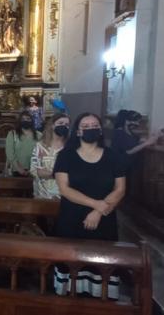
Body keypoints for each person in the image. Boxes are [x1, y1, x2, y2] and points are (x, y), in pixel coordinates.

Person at [53, 113, 126, 298]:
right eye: (86, 125)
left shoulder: (113, 156)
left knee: (101, 266)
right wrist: (97, 205)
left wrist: (98, 212)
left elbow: (120, 189)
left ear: (100, 130)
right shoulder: (65, 156)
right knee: (71, 265)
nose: (90, 128)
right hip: (72, 219)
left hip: (104, 221)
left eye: (95, 125)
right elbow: (64, 189)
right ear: (78, 131)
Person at [30, 113, 70, 200]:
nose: (64, 126)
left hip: (65, 195)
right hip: (42, 194)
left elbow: (73, 173)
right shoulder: (40, 146)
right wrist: (59, 175)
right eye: (60, 123)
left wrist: (48, 174)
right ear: (52, 126)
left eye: (67, 125)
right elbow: (35, 171)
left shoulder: (70, 147)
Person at [5, 111, 41, 177]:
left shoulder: (39, 135)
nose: (25, 121)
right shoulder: (12, 134)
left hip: (35, 171)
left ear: (32, 120)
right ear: (19, 121)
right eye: (23, 119)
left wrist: (33, 169)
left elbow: (42, 153)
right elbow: (10, 153)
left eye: (28, 119)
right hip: (16, 170)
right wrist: (19, 168)